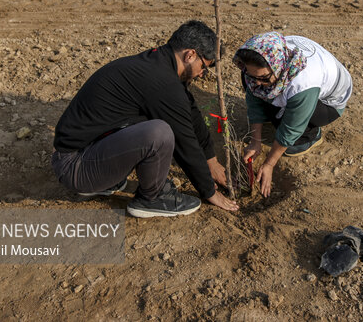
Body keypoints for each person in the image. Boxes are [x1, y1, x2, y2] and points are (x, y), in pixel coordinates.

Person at [52, 20, 239, 218]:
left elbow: (191, 114)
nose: (203, 74)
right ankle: (153, 198)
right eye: (205, 67)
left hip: (84, 155)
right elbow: (185, 142)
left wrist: (212, 161)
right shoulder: (162, 84)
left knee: (150, 121)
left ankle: (109, 179)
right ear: (190, 54)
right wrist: (209, 191)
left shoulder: (159, 64)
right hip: (75, 167)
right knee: (160, 132)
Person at [233, 32, 352, 197]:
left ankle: (310, 136)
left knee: (289, 131)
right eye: (254, 77)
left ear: (279, 66)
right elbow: (254, 97)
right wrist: (255, 141)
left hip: (328, 104)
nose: (258, 83)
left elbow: (291, 127)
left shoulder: (303, 83)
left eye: (264, 78)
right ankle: (273, 108)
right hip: (293, 88)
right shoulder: (266, 55)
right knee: (253, 83)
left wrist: (269, 164)